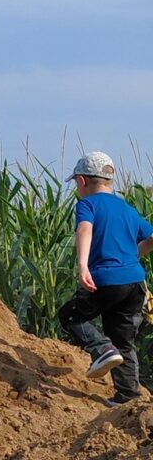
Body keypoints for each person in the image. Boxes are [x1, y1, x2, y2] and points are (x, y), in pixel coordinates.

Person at [56, 150, 153, 405]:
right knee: (122, 339)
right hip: (134, 284)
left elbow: (85, 229)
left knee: (70, 315)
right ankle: (127, 397)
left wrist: (83, 265)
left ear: (82, 181)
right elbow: (151, 237)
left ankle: (101, 349)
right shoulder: (127, 209)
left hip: (106, 279)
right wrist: (134, 255)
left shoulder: (87, 204)